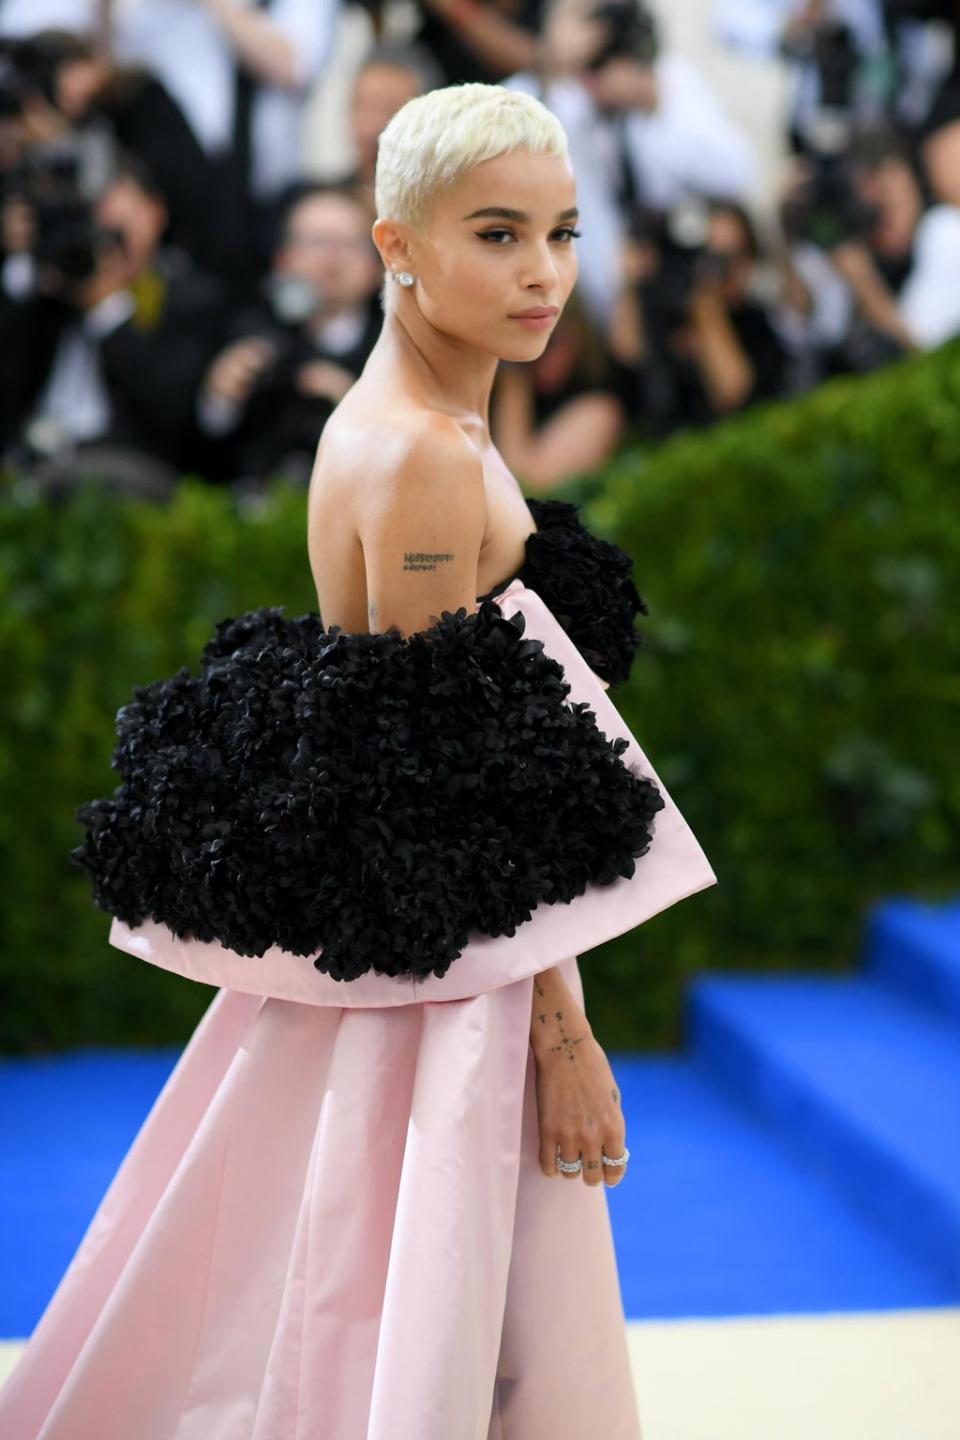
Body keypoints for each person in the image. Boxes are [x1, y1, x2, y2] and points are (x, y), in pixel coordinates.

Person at [0, 83, 716, 1438]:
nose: (544, 273)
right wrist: (565, 1036)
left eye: (562, 233)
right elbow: (461, 778)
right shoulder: (422, 454)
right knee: (429, 1331)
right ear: (397, 244)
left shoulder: (430, 416)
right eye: (497, 234)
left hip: (438, 972)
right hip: (456, 994)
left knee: (363, 1312)